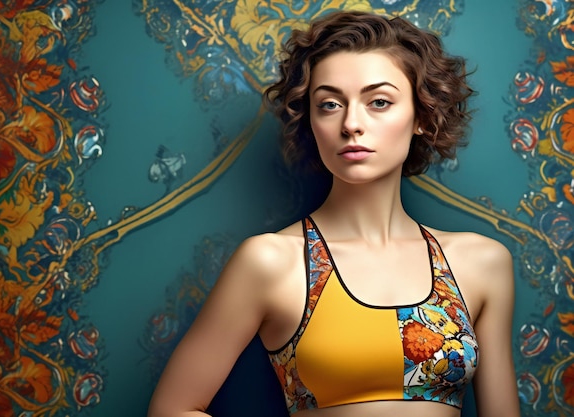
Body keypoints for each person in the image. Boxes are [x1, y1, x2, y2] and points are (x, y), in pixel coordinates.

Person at [147, 10, 520, 417]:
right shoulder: (271, 262)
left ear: (422, 116)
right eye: (329, 104)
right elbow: (173, 408)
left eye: (379, 102)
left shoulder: (482, 263)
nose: (351, 124)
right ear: (311, 119)